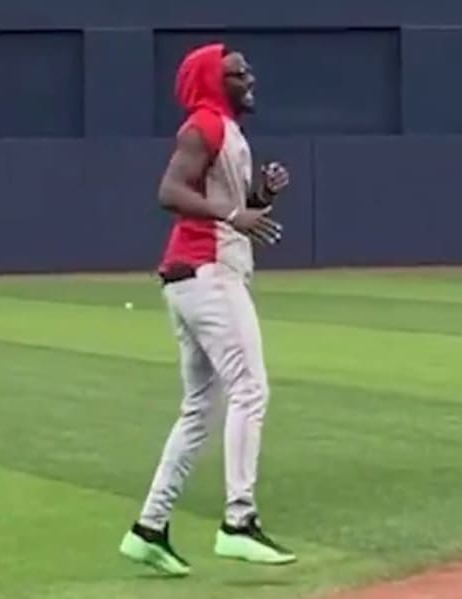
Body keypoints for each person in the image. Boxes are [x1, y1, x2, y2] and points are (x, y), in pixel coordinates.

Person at [118, 42, 296, 576]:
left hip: (192, 276)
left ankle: (149, 528)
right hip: (207, 273)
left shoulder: (227, 130)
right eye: (238, 73)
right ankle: (238, 521)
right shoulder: (205, 124)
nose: (250, 78)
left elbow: (237, 213)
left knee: (199, 410)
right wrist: (231, 211)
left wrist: (259, 196)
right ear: (215, 83)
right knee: (250, 390)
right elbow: (170, 190)